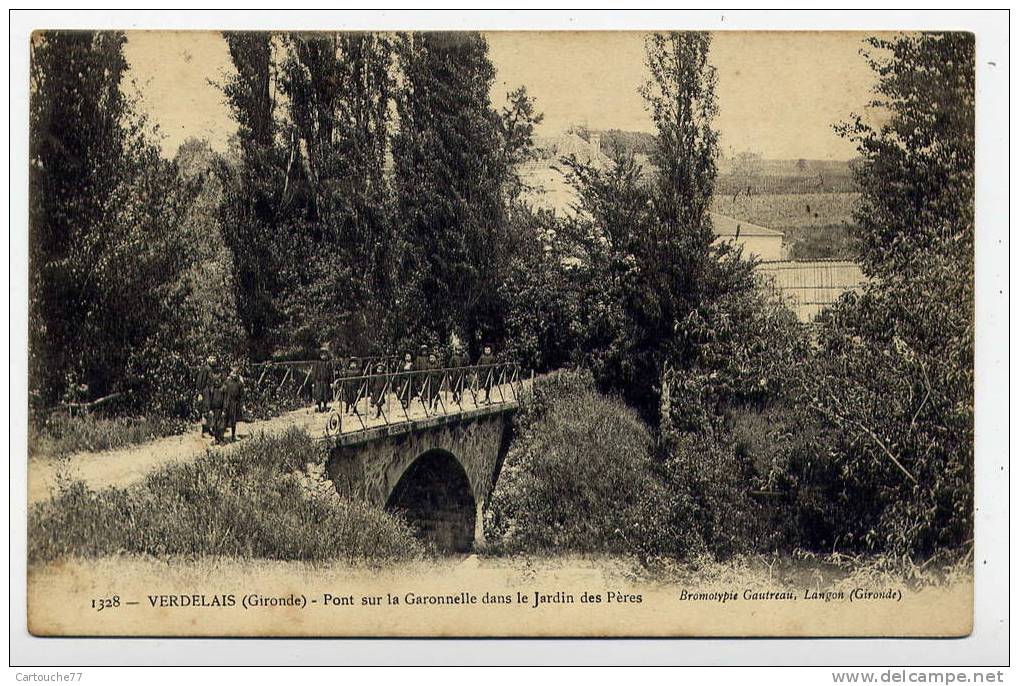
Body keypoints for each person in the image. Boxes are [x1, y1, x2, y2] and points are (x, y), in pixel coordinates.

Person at [207, 363, 228, 444]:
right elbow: (209, 400)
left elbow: (225, 400)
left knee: (221, 425)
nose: (217, 381)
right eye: (215, 380)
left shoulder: (223, 388)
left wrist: (224, 410)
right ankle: (216, 439)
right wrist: (210, 409)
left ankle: (221, 439)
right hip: (214, 409)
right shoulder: (212, 389)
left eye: (218, 379)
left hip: (221, 409)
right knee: (214, 425)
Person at [223, 365, 244, 442]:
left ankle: (233, 435)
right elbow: (223, 391)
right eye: (233, 372)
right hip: (227, 401)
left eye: (236, 372)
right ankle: (220, 436)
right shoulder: (227, 381)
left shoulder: (239, 382)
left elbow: (241, 393)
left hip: (235, 402)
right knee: (224, 418)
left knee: (233, 419)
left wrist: (241, 403)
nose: (234, 374)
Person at [196, 355, 216, 436]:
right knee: (205, 411)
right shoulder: (205, 369)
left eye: (214, 358)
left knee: (211, 411)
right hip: (206, 391)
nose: (213, 360)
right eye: (211, 358)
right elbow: (200, 381)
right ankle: (205, 431)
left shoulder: (214, 369)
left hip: (212, 392)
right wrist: (200, 393)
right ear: (207, 359)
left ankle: (210, 429)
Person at [310, 348, 333, 413]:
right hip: (318, 381)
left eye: (325, 355)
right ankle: (319, 407)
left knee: (325, 394)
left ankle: (325, 406)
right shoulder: (317, 363)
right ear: (320, 355)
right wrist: (313, 382)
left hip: (326, 381)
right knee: (319, 395)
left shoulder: (328, 363)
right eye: (322, 355)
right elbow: (314, 372)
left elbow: (331, 373)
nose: (323, 356)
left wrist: (331, 382)